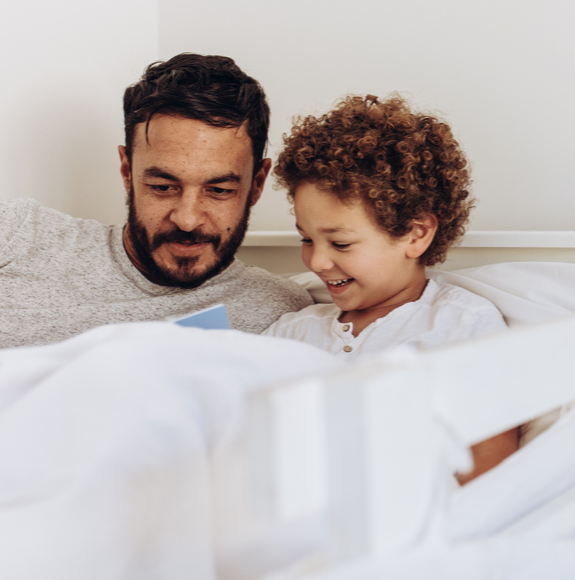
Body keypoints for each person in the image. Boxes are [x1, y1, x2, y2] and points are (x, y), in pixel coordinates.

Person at [264, 94, 518, 482]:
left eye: (341, 243)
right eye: (306, 239)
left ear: (416, 235)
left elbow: (488, 472)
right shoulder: (291, 332)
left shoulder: (460, 325)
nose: (316, 262)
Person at [0, 54, 312, 348]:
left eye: (218, 190)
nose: (187, 220)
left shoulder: (281, 313)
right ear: (127, 171)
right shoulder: (17, 234)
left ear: (256, 184)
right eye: (163, 187)